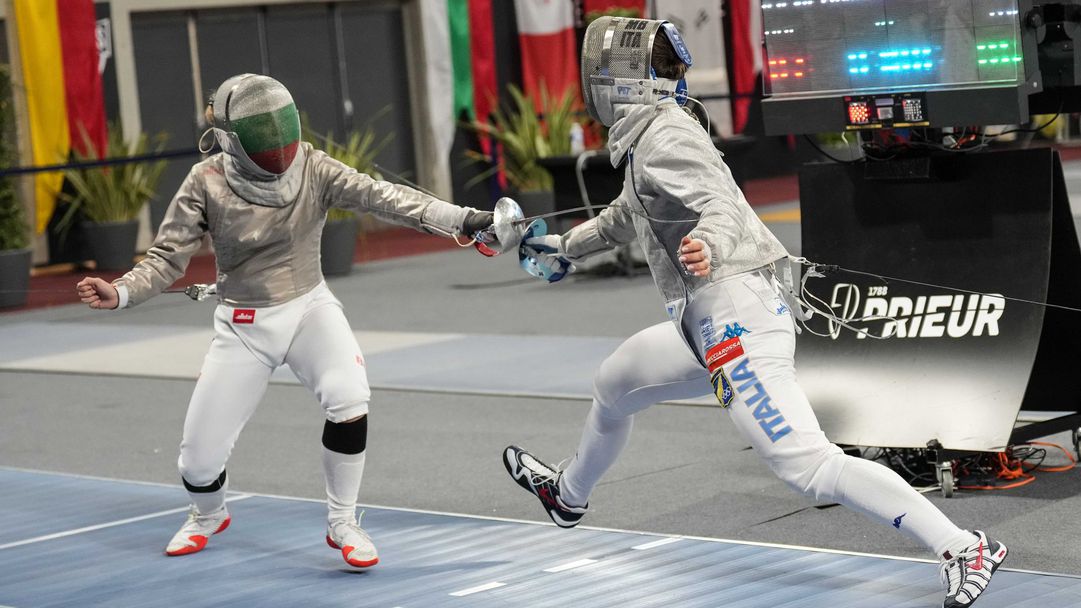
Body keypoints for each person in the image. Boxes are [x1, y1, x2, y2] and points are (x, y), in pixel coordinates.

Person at [502, 18, 1006, 608]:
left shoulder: (666, 136)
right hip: (704, 317)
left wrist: (709, 241)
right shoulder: (650, 137)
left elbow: (720, 203)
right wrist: (564, 248)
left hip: (735, 316)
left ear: (620, 80)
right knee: (615, 383)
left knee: (806, 465)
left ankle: (962, 547)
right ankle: (567, 496)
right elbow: (624, 214)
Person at [76, 74, 493, 569]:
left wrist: (466, 220)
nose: (278, 151)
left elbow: (387, 198)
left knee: (349, 397)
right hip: (243, 324)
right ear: (231, 140)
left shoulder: (313, 167)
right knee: (197, 462)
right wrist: (121, 291)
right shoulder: (206, 182)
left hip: (309, 308)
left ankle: (343, 521)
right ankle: (208, 514)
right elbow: (167, 258)